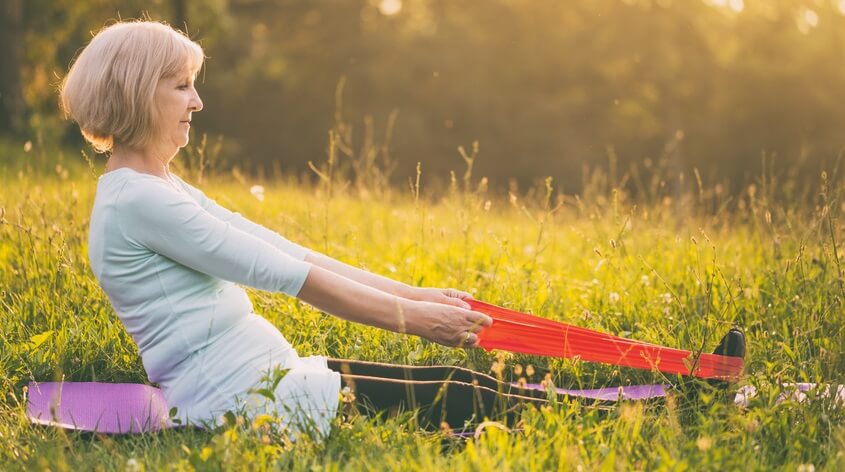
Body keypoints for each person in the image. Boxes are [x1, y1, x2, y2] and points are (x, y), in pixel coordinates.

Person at [59, 20, 548, 438]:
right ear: (139, 93)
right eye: (182, 86)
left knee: (456, 383)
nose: (198, 102)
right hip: (242, 399)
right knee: (467, 400)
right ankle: (624, 417)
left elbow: (285, 252)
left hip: (267, 377)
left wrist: (416, 295)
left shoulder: (156, 186)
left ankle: (617, 412)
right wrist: (417, 320)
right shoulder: (138, 201)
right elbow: (288, 277)